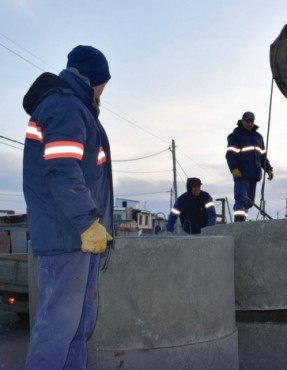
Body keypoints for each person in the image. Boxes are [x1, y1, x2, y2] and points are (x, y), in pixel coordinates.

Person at [22, 45, 113, 370]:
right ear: (92, 78)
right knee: (58, 331)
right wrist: (88, 222)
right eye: (104, 81)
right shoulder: (65, 107)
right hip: (69, 236)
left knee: (77, 329)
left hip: (78, 239)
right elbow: (62, 169)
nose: (104, 89)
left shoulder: (75, 109)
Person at [226, 111, 274, 222]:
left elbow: (262, 157)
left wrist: (269, 169)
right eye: (247, 121)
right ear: (242, 121)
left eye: (251, 121)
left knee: (249, 202)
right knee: (241, 199)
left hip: (253, 175)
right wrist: (234, 169)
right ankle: (239, 222)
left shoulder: (258, 137)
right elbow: (230, 155)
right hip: (241, 175)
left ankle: (243, 220)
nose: (249, 123)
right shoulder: (235, 136)